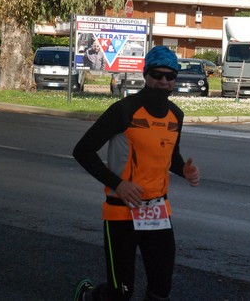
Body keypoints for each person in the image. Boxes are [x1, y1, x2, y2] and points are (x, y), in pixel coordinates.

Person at [72, 45, 200, 301]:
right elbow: (83, 151)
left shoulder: (176, 114)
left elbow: (171, 157)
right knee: (121, 293)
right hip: (121, 210)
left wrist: (183, 170)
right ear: (146, 74)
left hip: (157, 211)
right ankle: (87, 296)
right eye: (157, 74)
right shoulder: (124, 110)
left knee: (161, 288)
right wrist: (118, 184)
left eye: (170, 76)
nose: (163, 81)